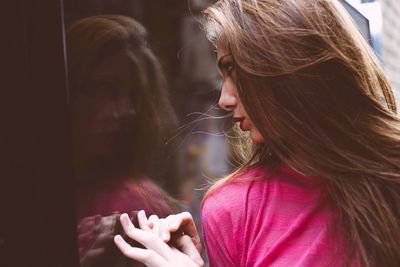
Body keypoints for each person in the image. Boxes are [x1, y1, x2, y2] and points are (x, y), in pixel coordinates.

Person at [113, 0, 400, 266]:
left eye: (232, 69)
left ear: (287, 67)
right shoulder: (232, 208)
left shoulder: (390, 178)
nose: (224, 99)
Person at [67, 15, 180, 267]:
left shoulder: (129, 206)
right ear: (69, 92)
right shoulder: (34, 194)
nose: (126, 111)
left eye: (134, 95)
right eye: (105, 89)